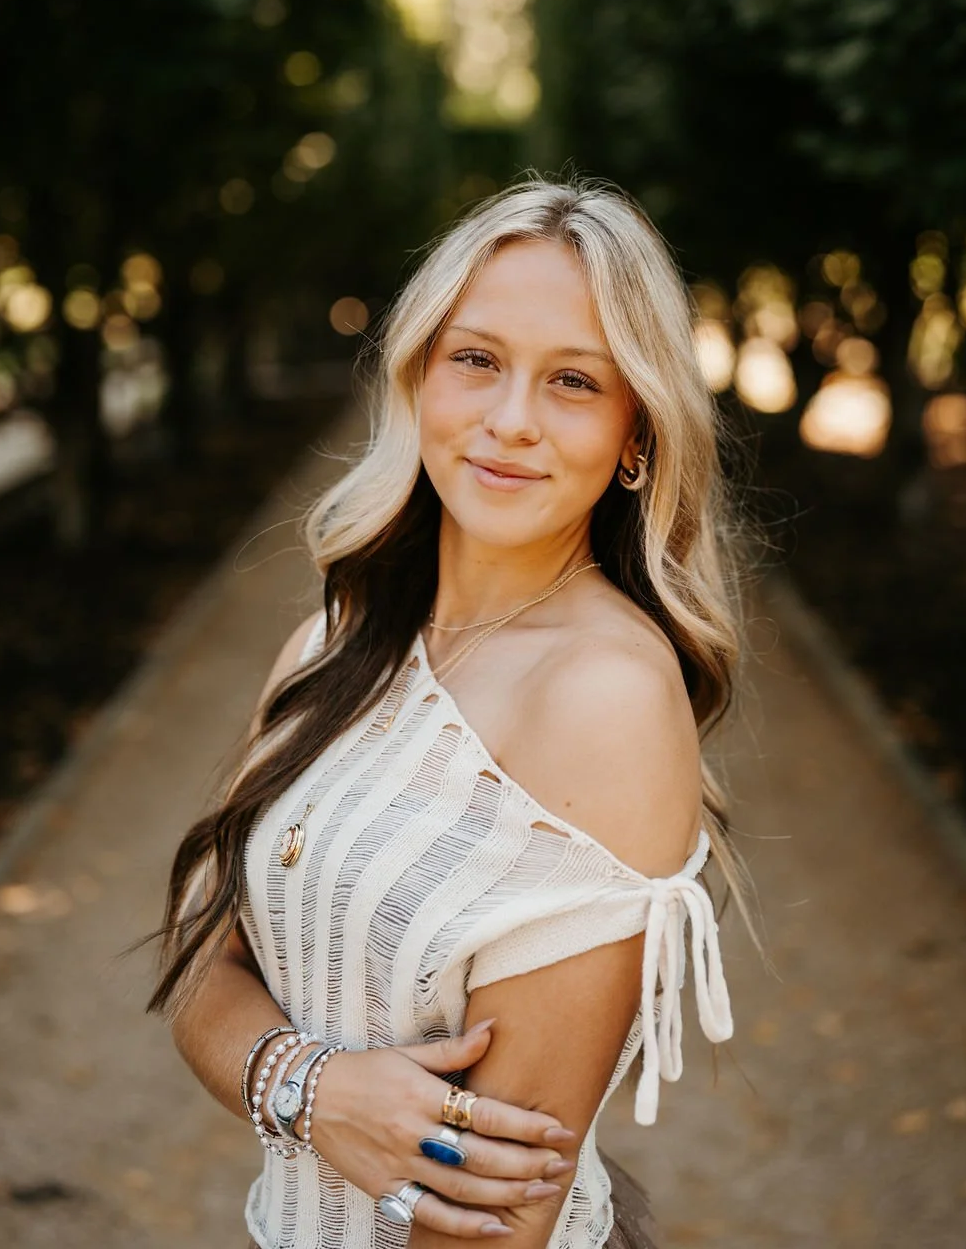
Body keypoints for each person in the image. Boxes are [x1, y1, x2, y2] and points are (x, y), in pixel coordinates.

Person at [144, 176, 752, 1249]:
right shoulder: (328, 644)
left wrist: (277, 1069)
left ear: (636, 437)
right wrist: (310, 1086)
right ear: (419, 376)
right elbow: (200, 960)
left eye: (572, 380)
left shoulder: (604, 698)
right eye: (476, 359)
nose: (507, 422)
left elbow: (489, 1214)